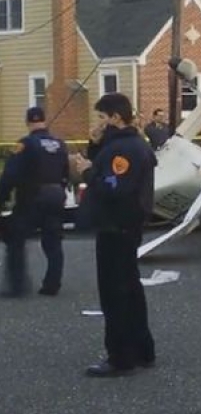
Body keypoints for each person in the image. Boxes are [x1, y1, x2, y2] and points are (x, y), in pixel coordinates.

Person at [73, 92, 157, 376]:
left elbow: (113, 185)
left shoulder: (127, 149)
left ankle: (120, 356)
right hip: (125, 226)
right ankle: (142, 349)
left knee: (115, 293)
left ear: (116, 117)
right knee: (131, 287)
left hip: (117, 226)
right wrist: (94, 145)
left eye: (101, 117)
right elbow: (106, 163)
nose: (97, 123)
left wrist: (86, 172)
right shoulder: (124, 145)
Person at [0, 107, 69, 298]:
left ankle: (17, 285)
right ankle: (52, 284)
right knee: (53, 241)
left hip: (32, 196)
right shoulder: (60, 144)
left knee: (15, 238)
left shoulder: (25, 144)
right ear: (45, 121)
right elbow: (65, 172)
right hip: (56, 195)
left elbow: (10, 175)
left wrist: (2, 196)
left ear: (28, 122)